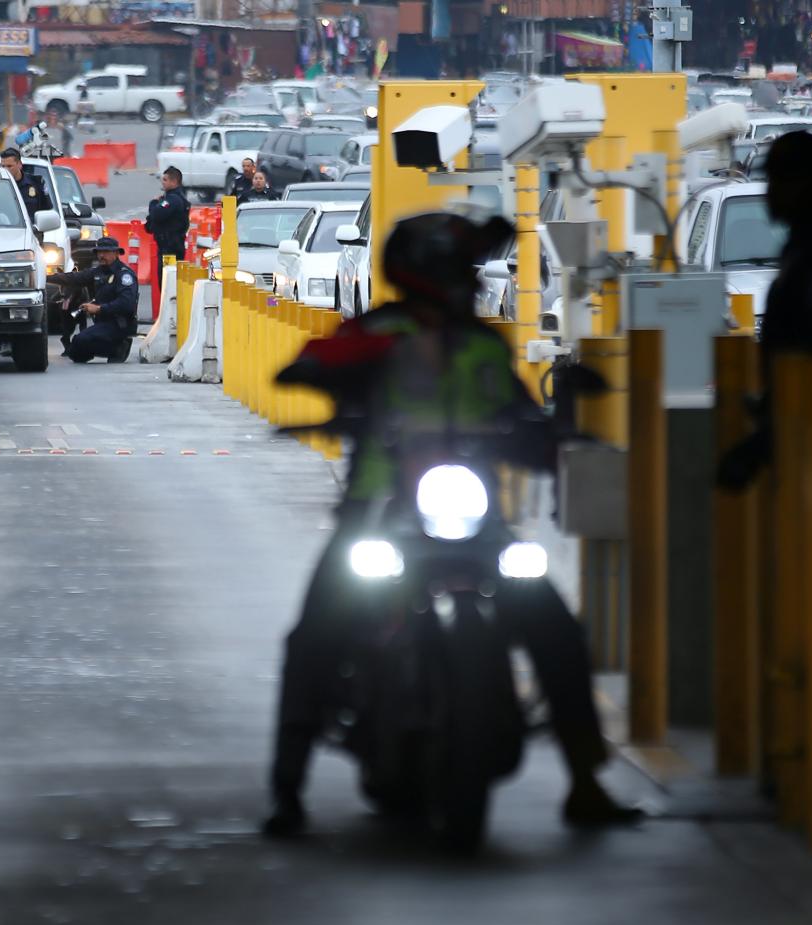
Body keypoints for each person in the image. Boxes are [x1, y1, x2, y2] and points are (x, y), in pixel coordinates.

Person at [262, 212, 644, 838]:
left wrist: (555, 431)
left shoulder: (482, 347)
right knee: (314, 637)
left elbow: (519, 416)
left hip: (475, 519)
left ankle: (586, 782)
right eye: (455, 269)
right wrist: (337, 384)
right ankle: (286, 792)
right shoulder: (378, 333)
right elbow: (311, 362)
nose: (463, 281)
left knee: (556, 629)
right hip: (382, 513)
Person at [717, 132, 812, 490]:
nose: (769, 192)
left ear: (808, 182)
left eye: (778, 180)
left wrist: (765, 440)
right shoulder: (808, 245)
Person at [46, 236, 136, 363]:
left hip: (119, 324)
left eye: (106, 252)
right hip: (102, 323)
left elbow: (127, 304)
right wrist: (45, 278)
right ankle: (107, 348)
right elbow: (74, 278)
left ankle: (118, 347)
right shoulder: (98, 272)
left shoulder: (124, 275)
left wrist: (99, 309)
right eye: (99, 252)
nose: (101, 256)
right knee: (75, 352)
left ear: (116, 253)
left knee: (81, 340)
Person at [144, 166, 191, 295]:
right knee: (165, 283)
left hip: (170, 249)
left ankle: (171, 313)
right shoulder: (171, 198)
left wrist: (153, 203)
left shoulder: (173, 199)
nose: (162, 182)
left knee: (167, 284)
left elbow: (157, 214)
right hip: (167, 246)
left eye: (165, 180)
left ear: (174, 182)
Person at [0, 147, 53, 220]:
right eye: (3, 166)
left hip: (32, 229)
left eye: (9, 166)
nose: (5, 170)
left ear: (19, 164)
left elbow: (46, 211)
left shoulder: (36, 183)